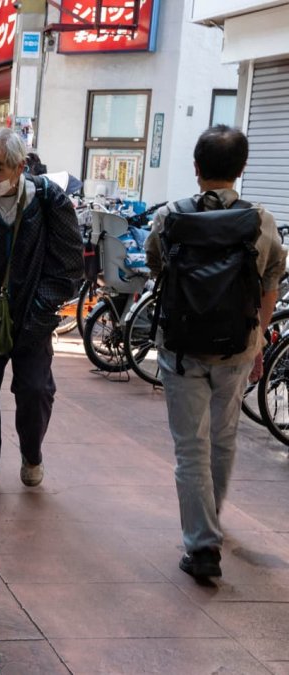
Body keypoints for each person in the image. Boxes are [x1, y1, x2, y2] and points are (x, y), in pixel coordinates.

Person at [145, 125, 285, 581]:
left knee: (191, 448)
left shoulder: (170, 217)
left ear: (196, 167)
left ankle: (202, 545)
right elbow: (270, 283)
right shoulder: (260, 221)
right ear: (241, 169)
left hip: (181, 348)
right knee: (223, 439)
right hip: (238, 347)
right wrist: (259, 339)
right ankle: (210, 523)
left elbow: (157, 266)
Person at [0, 128, 82, 497]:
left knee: (35, 390)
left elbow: (70, 262)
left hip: (34, 316)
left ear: (20, 166)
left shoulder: (48, 200)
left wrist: (43, 306)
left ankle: (32, 454)